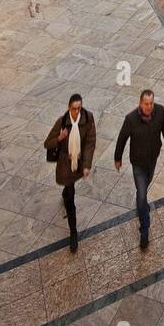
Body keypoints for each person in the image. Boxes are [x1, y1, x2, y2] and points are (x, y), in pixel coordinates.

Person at [114, 89, 164, 250]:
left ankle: (141, 203)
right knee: (142, 194)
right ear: (140, 103)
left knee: (144, 189)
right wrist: (117, 158)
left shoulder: (160, 112)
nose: (149, 107)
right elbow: (122, 138)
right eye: (146, 104)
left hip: (152, 159)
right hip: (138, 163)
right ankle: (145, 230)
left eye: (151, 103)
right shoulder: (131, 119)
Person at [44, 92, 96, 253]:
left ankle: (66, 192)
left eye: (79, 108)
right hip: (65, 165)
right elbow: (47, 143)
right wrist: (59, 138)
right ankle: (73, 232)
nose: (77, 112)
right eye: (74, 109)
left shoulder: (87, 119)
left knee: (69, 188)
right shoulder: (62, 122)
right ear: (69, 107)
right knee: (71, 197)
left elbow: (90, 142)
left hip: (78, 163)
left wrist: (87, 164)